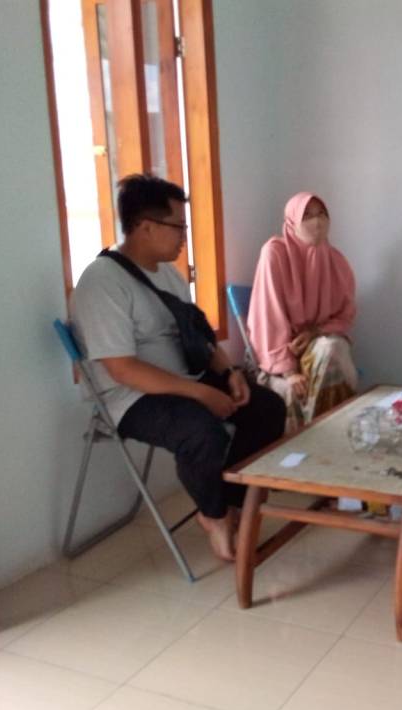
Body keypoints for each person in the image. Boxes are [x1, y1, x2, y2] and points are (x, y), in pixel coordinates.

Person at [71, 174, 286, 561]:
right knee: (201, 432)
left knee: (267, 407)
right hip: (131, 399)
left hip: (186, 380)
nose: (184, 236)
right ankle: (214, 516)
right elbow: (122, 370)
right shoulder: (102, 283)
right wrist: (201, 393)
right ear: (146, 227)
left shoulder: (168, 274)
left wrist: (229, 373)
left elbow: (199, 337)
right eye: (178, 226)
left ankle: (233, 502)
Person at [248, 192, 358, 432]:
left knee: (333, 347)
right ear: (292, 221)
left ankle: (330, 432)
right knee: (326, 355)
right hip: (280, 351)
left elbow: (345, 315)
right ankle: (315, 435)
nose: (317, 222)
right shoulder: (275, 253)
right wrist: (289, 372)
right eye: (307, 216)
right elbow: (268, 318)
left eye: (322, 214)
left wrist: (316, 331)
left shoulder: (336, 261)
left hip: (318, 344)